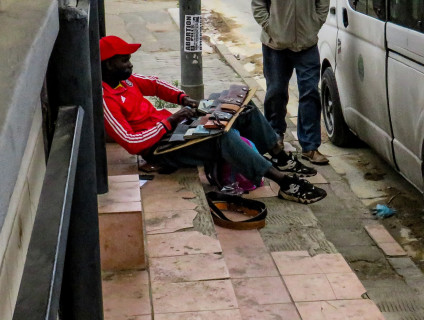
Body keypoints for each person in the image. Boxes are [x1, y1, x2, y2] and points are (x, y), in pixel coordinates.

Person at [100, 35, 327, 205]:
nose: (130, 65)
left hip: (172, 129)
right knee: (222, 136)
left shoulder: (126, 81)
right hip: (160, 149)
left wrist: (186, 100)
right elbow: (132, 142)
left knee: (240, 107)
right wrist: (170, 121)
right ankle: (285, 183)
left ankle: (281, 157)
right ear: (109, 64)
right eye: (124, 61)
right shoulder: (105, 99)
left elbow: (155, 84)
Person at [252, 0, 330, 166]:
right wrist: (270, 27)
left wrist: (314, 26)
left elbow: (323, 0)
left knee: (310, 93)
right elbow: (257, 2)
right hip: (275, 45)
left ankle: (310, 147)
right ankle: (274, 141)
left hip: (306, 44)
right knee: (276, 93)